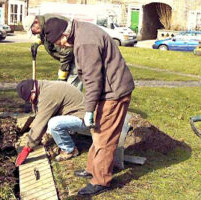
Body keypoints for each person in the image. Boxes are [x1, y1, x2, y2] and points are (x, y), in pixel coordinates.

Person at [44, 18, 135, 197]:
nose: (61, 46)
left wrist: (88, 110)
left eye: (59, 42)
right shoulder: (80, 31)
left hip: (114, 92)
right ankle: (93, 168)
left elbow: (93, 80)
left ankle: (101, 180)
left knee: (104, 137)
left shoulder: (85, 43)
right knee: (98, 132)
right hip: (108, 89)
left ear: (64, 34)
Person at [15, 79, 89, 166]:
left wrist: (27, 148)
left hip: (84, 119)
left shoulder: (48, 95)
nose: (30, 102)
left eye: (29, 99)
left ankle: (70, 150)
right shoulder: (43, 87)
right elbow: (39, 115)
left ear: (33, 91)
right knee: (51, 123)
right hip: (76, 114)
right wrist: (34, 141)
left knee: (54, 124)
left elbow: (40, 122)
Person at [23, 14, 83, 91]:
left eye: (32, 31)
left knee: (72, 85)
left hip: (77, 56)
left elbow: (67, 52)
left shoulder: (52, 25)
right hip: (68, 55)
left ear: (35, 22)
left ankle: (75, 101)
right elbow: (44, 35)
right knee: (66, 87)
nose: (34, 34)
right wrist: (37, 43)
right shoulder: (42, 21)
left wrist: (62, 75)